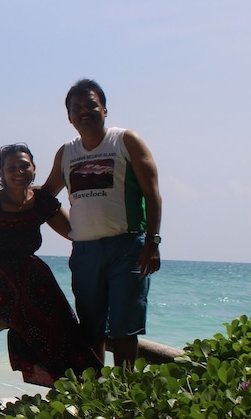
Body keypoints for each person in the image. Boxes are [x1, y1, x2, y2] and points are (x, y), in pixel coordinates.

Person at [0, 143, 102, 387]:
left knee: (63, 319)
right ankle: (59, 377)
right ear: (1, 173)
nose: (19, 172)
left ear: (34, 169)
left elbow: (76, 232)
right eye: (11, 167)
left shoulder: (41, 203)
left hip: (32, 276)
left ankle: (86, 382)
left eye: (25, 166)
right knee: (29, 309)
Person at [39, 79, 163, 367]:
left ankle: (125, 393)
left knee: (125, 326)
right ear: (69, 117)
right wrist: (72, 232)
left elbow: (152, 193)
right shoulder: (66, 153)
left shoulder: (125, 140)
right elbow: (46, 199)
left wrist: (153, 242)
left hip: (128, 247)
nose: (84, 111)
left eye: (91, 105)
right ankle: (95, 394)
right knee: (91, 326)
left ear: (104, 109)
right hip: (86, 252)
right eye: (76, 108)